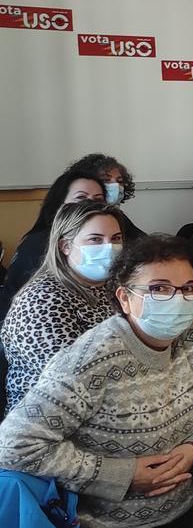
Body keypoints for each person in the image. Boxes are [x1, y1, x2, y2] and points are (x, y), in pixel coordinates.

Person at [0, 234, 193, 527]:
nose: (178, 299)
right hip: (112, 521)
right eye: (159, 289)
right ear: (125, 298)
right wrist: (121, 474)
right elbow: (14, 445)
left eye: (189, 288)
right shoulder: (89, 362)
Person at [2, 202, 123, 412]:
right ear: (65, 246)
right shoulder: (42, 300)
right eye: (95, 239)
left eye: (116, 239)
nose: (109, 247)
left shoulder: (113, 287)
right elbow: (71, 379)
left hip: (109, 404)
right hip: (47, 419)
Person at [0, 169, 105, 318]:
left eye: (98, 199)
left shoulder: (103, 237)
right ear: (59, 204)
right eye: (81, 198)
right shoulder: (41, 244)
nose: (90, 205)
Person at [66, 153, 147, 240]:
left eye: (120, 181)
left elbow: (142, 241)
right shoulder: (73, 217)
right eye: (106, 180)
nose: (116, 186)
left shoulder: (115, 214)